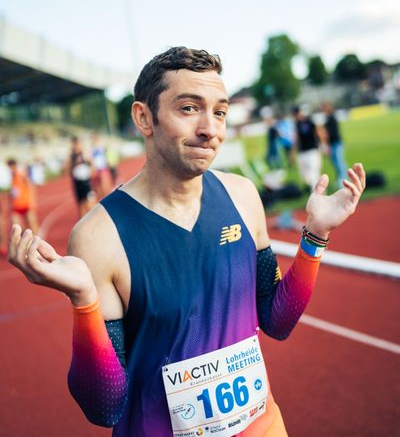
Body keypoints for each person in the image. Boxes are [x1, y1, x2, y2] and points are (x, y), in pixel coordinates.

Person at [8, 47, 365, 437]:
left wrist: (316, 236)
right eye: (189, 108)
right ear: (144, 117)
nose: (210, 128)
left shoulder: (242, 197)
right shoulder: (99, 235)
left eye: (220, 112)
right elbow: (104, 406)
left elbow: (276, 321)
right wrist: (84, 302)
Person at [292, 105, 323, 192]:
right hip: (302, 152)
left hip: (312, 150)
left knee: (314, 173)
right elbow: (297, 139)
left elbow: (319, 132)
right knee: (305, 176)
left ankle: (317, 193)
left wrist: (323, 146)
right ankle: (314, 190)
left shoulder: (310, 121)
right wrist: (293, 153)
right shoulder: (297, 124)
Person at [64, 137, 96, 219]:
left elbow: (92, 164)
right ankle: (83, 222)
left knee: (90, 203)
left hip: (86, 182)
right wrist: (71, 163)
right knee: (81, 205)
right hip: (77, 183)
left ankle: (94, 219)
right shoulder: (71, 157)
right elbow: (66, 171)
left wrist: (90, 172)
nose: (76, 145)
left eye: (77, 143)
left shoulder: (84, 154)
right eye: (74, 144)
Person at [7, 158, 40, 235]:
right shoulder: (9, 179)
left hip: (26, 204)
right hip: (16, 207)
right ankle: (26, 237)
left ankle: (38, 240)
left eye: (11, 167)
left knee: (32, 224)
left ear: (14, 166)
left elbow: (31, 186)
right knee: (16, 227)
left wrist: (32, 200)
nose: (11, 170)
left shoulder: (22, 175)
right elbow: (10, 193)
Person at [321, 102, 348, 188]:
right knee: (337, 163)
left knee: (339, 162)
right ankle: (341, 179)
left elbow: (329, 134)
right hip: (333, 143)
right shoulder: (328, 118)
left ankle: (344, 180)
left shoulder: (331, 118)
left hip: (336, 143)